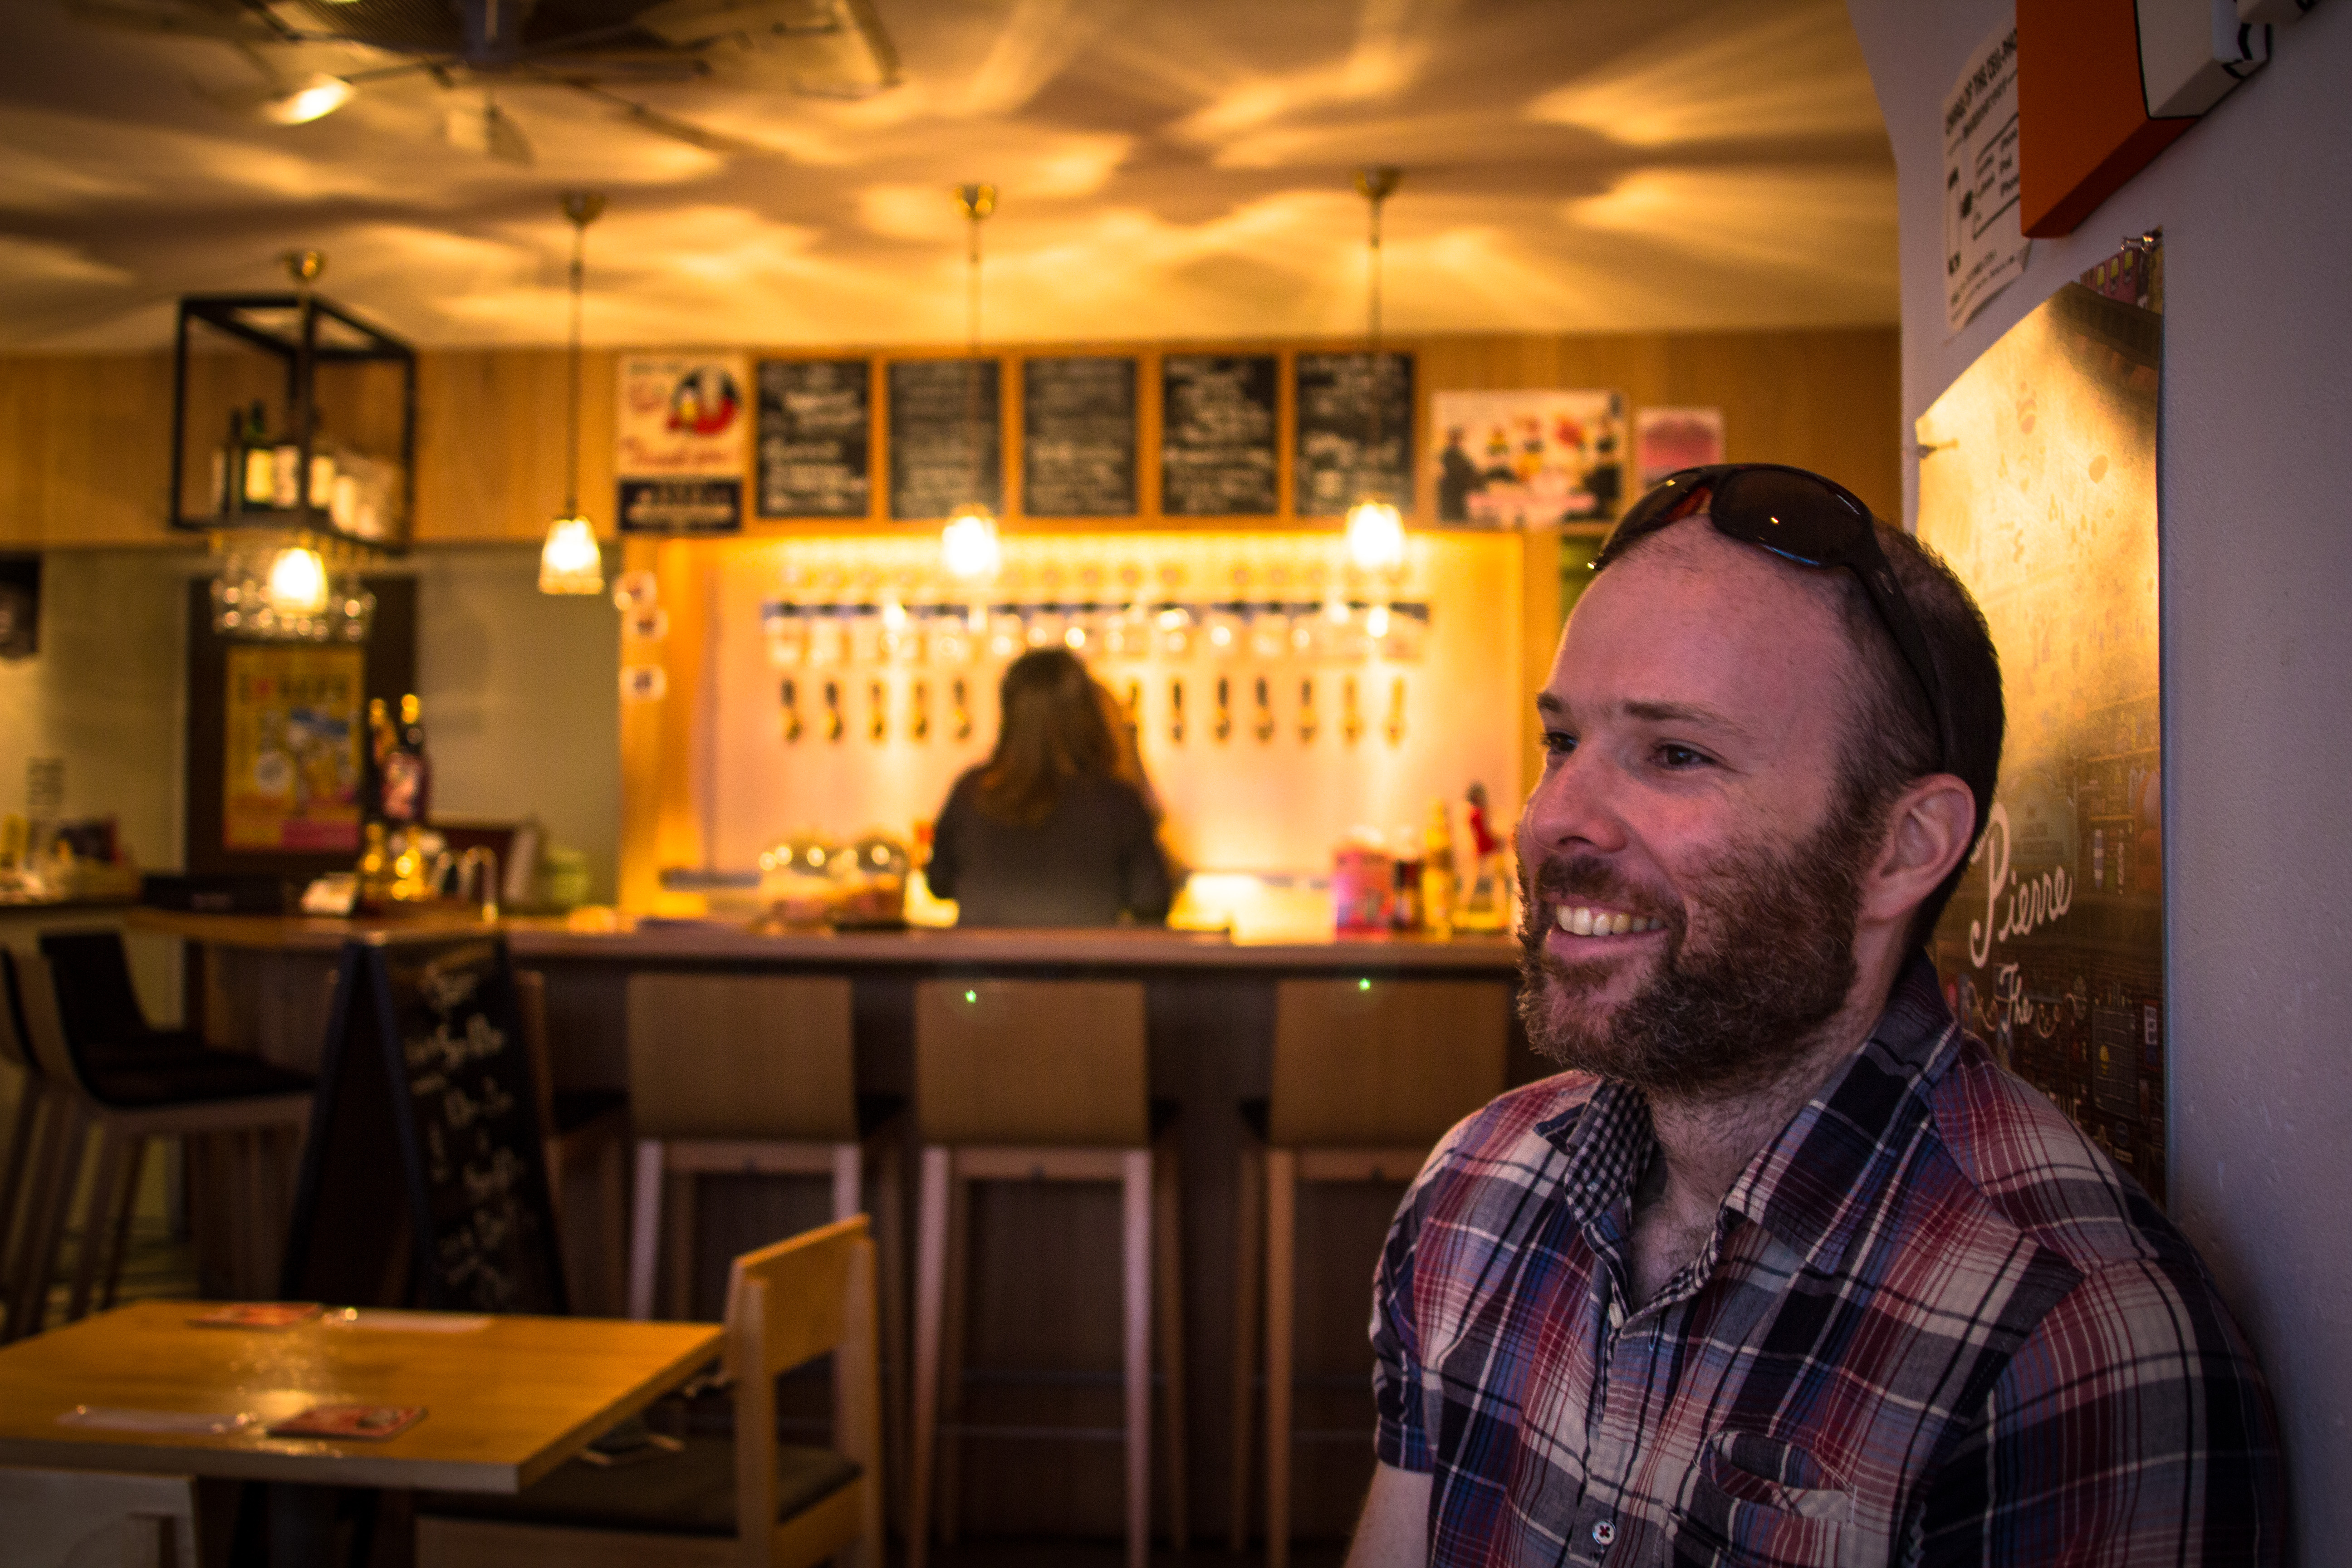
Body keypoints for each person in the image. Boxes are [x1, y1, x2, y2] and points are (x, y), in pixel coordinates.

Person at [1349, 466, 2281, 1566]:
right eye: (1562, 743)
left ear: (1901, 849)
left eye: (1676, 754)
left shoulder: (2065, 1341)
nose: (1553, 817)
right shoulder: (1477, 1188)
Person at [926, 647, 1172, 927]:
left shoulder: (972, 791)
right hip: (1085, 957)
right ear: (1087, 714)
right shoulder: (1117, 801)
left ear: (1010, 712)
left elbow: (939, 884)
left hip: (983, 957)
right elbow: (1152, 903)